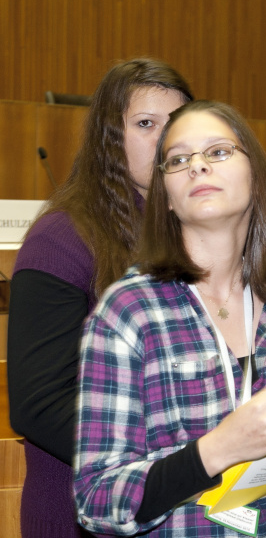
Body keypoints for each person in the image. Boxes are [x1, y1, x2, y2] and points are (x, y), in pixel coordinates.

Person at [73, 100, 266, 536]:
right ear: (168, 199)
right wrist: (216, 450)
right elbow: (98, 500)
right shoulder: (129, 309)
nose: (197, 167)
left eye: (217, 152)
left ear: (255, 177)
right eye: (178, 160)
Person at [7, 58, 193, 538]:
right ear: (110, 137)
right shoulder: (62, 237)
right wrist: (173, 456)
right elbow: (40, 402)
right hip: (82, 512)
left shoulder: (197, 232)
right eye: (145, 124)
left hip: (183, 503)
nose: (165, 140)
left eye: (176, 124)